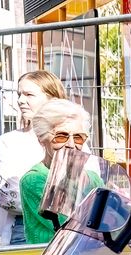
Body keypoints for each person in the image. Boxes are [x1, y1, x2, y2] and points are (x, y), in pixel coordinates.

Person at [0, 70, 66, 246]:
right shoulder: (8, 141)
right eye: (19, 94)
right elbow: (9, 198)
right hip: (21, 229)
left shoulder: (73, 138)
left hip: (68, 229)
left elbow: (85, 189)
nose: (20, 100)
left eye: (29, 94)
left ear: (52, 99)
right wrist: (63, 201)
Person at [18, 99, 101, 245]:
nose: (70, 144)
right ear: (42, 139)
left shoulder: (93, 178)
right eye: (61, 136)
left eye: (78, 137)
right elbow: (73, 226)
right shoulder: (35, 180)